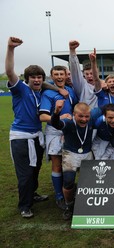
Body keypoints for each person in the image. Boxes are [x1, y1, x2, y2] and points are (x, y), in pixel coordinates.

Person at [6, 36, 49, 218]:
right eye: (33, 77)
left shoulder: (40, 92)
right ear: (27, 78)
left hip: (36, 136)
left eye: (39, 77)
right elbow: (9, 72)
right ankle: (24, 205)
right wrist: (10, 49)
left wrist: (58, 89)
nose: (37, 80)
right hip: (21, 138)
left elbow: (46, 84)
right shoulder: (21, 89)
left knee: (35, 169)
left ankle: (33, 194)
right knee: (24, 174)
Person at [51, 100, 102, 220]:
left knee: (92, 181)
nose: (84, 119)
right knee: (68, 181)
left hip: (88, 153)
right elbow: (56, 124)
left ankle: (88, 203)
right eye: (80, 116)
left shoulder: (93, 119)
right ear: (74, 114)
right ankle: (69, 206)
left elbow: (106, 107)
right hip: (71, 154)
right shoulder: (68, 123)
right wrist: (57, 112)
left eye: (86, 116)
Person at [39, 65, 78, 210]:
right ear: (52, 76)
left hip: (68, 131)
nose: (60, 77)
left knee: (68, 162)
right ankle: (59, 196)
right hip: (54, 131)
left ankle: (68, 190)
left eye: (62, 74)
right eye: (56, 74)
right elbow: (42, 116)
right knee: (56, 164)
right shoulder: (47, 93)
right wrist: (58, 116)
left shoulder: (70, 90)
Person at [69, 40, 98, 108]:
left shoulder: (103, 85)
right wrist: (72, 51)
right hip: (84, 116)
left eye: (91, 73)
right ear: (83, 75)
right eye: (87, 74)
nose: (89, 76)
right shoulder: (82, 85)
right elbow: (75, 71)